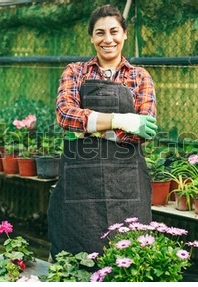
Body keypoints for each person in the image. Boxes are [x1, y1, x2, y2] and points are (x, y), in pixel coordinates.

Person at [47, 4, 158, 261]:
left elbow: (143, 131)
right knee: (75, 254)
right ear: (91, 37)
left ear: (125, 34)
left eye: (114, 32)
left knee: (128, 254)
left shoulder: (140, 77)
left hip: (126, 184)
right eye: (100, 33)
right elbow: (65, 115)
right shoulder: (75, 72)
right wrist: (121, 120)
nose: (108, 40)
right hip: (79, 183)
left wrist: (91, 127)